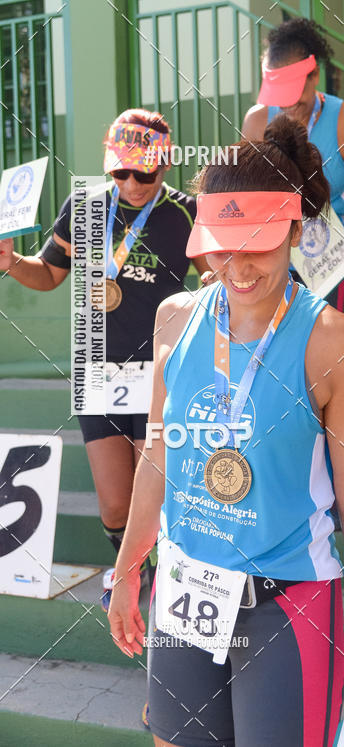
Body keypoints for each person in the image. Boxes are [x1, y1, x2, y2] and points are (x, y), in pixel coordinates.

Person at [107, 114, 344, 746]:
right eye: (222, 242)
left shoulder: (335, 342)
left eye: (260, 241)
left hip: (286, 605)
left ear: (295, 228)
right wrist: (129, 567)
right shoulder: (174, 319)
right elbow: (158, 456)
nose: (238, 265)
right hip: (184, 590)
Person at [0, 109, 204, 603]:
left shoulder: (187, 213)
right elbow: (48, 274)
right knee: (115, 506)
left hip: (159, 372)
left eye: (145, 172)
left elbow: (214, 278)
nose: (132, 182)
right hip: (96, 370)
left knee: (152, 498)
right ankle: (131, 561)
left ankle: (149, 576)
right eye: (121, 171)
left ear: (166, 163)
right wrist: (11, 264)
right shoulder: (87, 206)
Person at [242, 16, 344, 309]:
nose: (288, 104)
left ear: (315, 75)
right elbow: (245, 196)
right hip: (271, 257)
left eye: (295, 93)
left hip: (327, 258)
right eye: (280, 95)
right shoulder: (256, 121)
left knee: (323, 346)